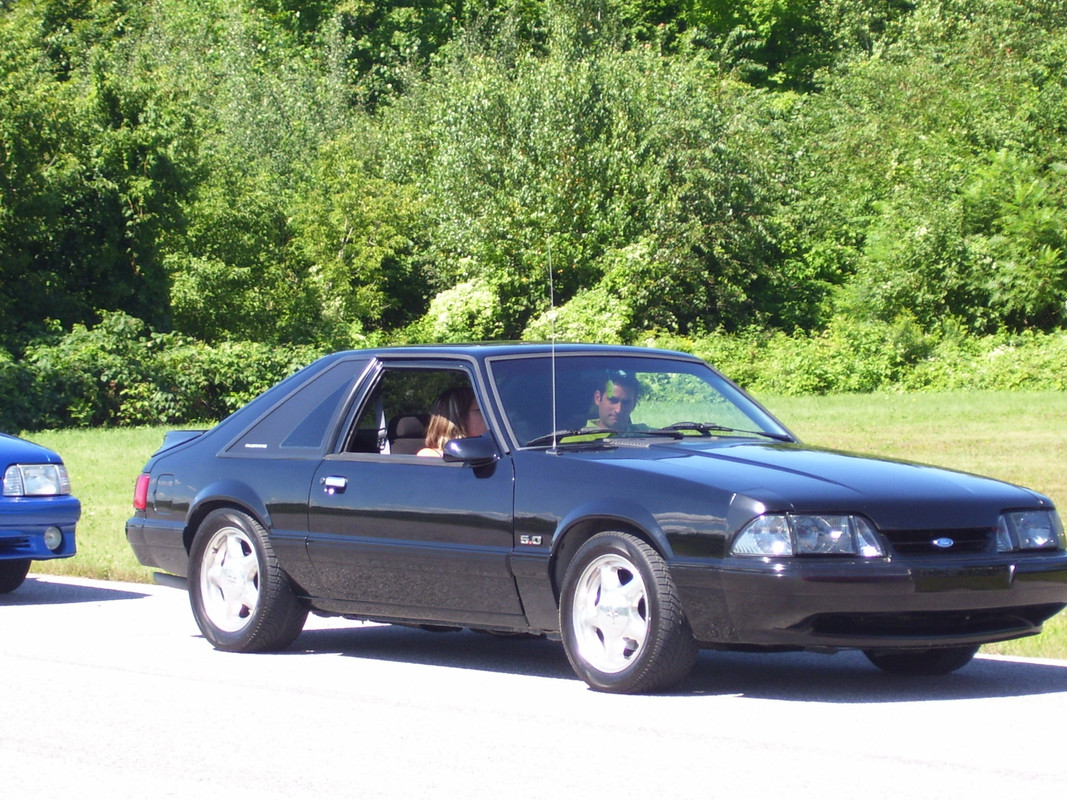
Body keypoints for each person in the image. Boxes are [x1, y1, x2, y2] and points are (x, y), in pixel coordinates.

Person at [417, 386, 487, 456]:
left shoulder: (488, 451)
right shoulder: (430, 455)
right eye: (481, 411)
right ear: (459, 417)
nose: (487, 416)